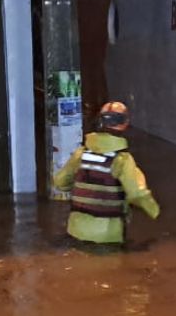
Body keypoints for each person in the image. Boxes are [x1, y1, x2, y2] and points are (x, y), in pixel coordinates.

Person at [52, 101, 160, 245]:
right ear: (125, 123)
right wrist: (155, 212)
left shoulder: (81, 154)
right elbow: (137, 193)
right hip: (109, 235)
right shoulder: (123, 160)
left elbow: (59, 181)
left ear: (100, 122)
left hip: (76, 230)